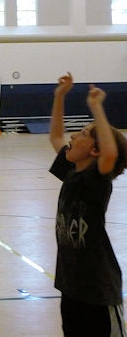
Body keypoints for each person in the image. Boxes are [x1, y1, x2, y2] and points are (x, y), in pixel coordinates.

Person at [49, 72, 127, 336]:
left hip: (98, 291)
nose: (73, 137)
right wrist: (59, 96)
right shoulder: (72, 173)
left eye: (82, 134)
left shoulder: (96, 180)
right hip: (71, 286)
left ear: (95, 151)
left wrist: (96, 107)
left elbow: (110, 154)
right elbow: (55, 137)